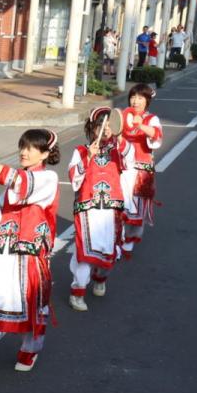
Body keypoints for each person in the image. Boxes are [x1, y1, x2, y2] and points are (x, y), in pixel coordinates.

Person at [0, 129, 61, 384]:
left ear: (45, 153)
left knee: (31, 301)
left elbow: (24, 185)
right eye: (22, 146)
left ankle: (30, 350)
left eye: (32, 148)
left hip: (31, 252)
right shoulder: (14, 181)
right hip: (5, 249)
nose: (24, 151)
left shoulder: (48, 178)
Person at [67, 107, 133, 311]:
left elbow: (129, 161)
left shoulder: (118, 150)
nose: (104, 130)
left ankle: (100, 278)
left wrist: (118, 137)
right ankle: (77, 291)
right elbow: (74, 178)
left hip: (111, 209)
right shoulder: (80, 151)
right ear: (91, 128)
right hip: (88, 209)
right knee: (85, 251)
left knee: (108, 249)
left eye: (108, 125)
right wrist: (88, 157)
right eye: (99, 126)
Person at [119, 83, 162, 258]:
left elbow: (157, 136)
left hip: (139, 171)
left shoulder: (151, 119)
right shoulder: (122, 116)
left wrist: (141, 126)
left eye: (140, 98)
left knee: (136, 209)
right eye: (133, 97)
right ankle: (117, 239)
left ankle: (130, 240)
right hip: (121, 168)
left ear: (147, 101)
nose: (135, 101)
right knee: (118, 206)